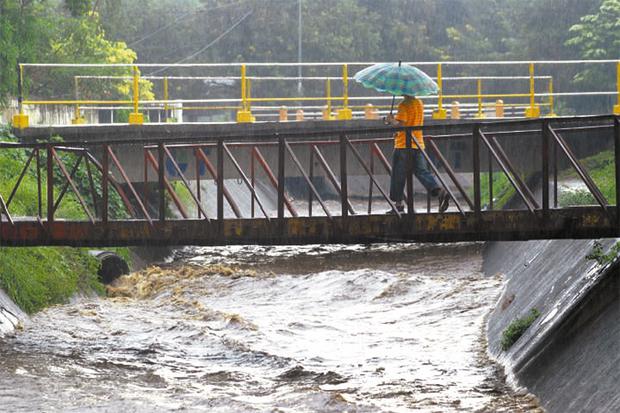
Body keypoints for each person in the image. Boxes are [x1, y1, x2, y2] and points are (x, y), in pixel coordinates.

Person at [384, 95, 449, 213]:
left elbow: (402, 125)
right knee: (422, 171)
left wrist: (390, 120)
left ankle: (398, 205)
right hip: (418, 143)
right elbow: (411, 123)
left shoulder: (403, 105)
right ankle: (439, 191)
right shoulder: (419, 103)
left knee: (398, 175)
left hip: (403, 145)